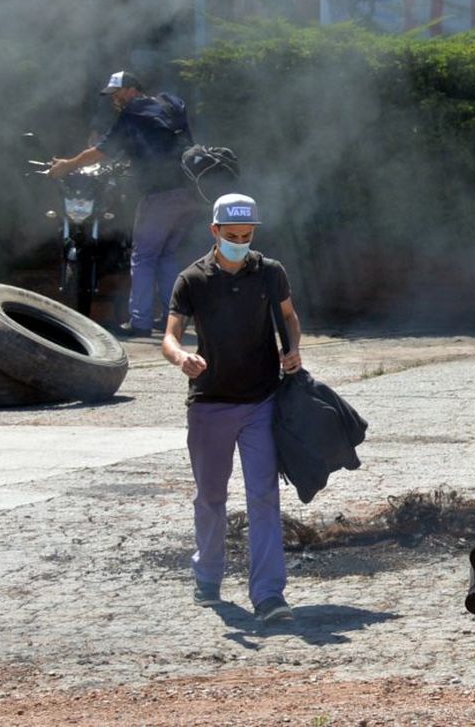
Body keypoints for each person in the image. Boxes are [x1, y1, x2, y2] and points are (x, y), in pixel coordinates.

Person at [161, 192, 303, 626]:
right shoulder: (192, 280)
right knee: (210, 496)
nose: (240, 242)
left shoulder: (270, 273)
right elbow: (169, 336)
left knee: (264, 497)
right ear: (215, 232)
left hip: (261, 400)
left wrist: (293, 349)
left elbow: (290, 317)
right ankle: (207, 575)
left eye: (247, 235)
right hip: (209, 404)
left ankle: (268, 595)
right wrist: (181, 358)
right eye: (232, 235)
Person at [49, 70, 199, 337]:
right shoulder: (171, 103)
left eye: (117, 93)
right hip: (189, 191)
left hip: (159, 194)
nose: (114, 99)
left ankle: (140, 322)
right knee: (166, 256)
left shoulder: (133, 113)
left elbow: (99, 151)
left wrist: (67, 165)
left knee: (142, 257)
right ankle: (171, 319)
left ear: (132, 89)